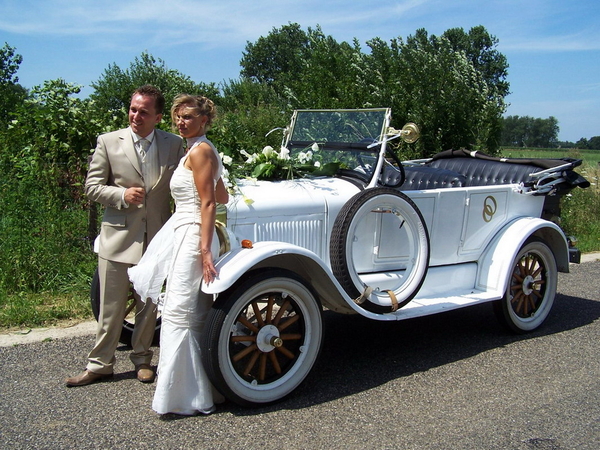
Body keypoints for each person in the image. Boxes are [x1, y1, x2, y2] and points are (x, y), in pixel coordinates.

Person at [65, 85, 185, 387]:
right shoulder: (108, 142)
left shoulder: (174, 144)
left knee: (148, 307)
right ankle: (99, 364)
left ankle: (143, 360)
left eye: (143, 111)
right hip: (117, 239)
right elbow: (92, 188)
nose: (136, 115)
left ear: (157, 116)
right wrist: (121, 194)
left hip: (156, 239)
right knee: (111, 307)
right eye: (133, 109)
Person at [129, 94, 229, 415]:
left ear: (204, 120)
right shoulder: (199, 150)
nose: (180, 122)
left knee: (181, 310)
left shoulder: (200, 152)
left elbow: (211, 203)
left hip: (193, 236)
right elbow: (223, 192)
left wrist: (205, 250)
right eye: (177, 117)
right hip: (185, 229)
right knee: (187, 308)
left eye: (188, 117)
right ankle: (201, 385)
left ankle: (183, 394)